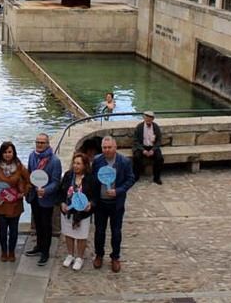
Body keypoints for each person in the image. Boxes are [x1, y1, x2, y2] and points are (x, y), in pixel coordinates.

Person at [92, 136, 135, 273]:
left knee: (116, 232)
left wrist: (118, 191)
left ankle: (115, 257)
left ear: (115, 147)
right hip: (100, 203)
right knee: (99, 231)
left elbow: (131, 179)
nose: (107, 150)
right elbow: (93, 179)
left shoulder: (124, 161)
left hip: (116, 203)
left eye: (109, 147)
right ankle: (99, 255)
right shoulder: (97, 160)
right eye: (104, 147)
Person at [25, 133, 62, 267]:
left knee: (46, 226)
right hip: (35, 196)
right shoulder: (31, 156)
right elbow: (30, 174)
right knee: (38, 224)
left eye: (42, 143)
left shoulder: (54, 161)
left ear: (48, 144)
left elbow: (56, 182)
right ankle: (39, 246)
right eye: (37, 142)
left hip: (47, 198)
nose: (39, 145)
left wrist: (45, 190)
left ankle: (45, 252)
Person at [58, 153, 97, 271]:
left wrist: (90, 204)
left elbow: (95, 196)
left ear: (85, 165)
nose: (75, 166)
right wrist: (62, 203)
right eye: (74, 163)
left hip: (82, 214)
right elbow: (61, 192)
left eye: (78, 163)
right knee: (68, 233)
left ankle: (79, 257)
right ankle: (70, 254)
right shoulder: (68, 176)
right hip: (68, 211)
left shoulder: (90, 178)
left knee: (81, 235)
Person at [0, 141, 29, 262]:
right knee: (2, 230)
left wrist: (23, 192)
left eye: (9, 152)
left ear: (13, 153)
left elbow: (29, 181)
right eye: (5, 152)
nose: (7, 154)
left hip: (15, 203)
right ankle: (3, 251)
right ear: (1, 154)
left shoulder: (20, 167)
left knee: (14, 230)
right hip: (1, 203)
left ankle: (12, 251)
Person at [133, 111, 164, 185]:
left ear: (153, 119)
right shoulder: (139, 127)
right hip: (142, 147)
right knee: (136, 157)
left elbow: (159, 141)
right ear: (144, 118)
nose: (148, 120)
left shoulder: (156, 127)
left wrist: (153, 150)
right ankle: (136, 176)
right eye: (146, 118)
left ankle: (157, 178)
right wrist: (143, 150)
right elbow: (135, 141)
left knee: (159, 158)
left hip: (152, 147)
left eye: (150, 118)